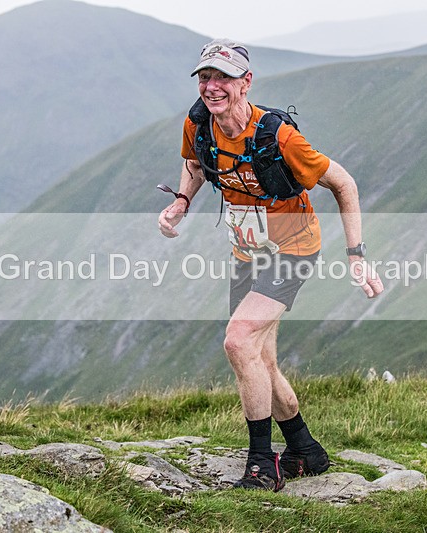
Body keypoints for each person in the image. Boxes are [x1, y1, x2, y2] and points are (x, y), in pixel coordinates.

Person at [157, 39, 384, 492]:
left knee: (238, 342)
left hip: (294, 249)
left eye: (223, 77)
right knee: (260, 357)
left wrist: (356, 256)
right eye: (205, 77)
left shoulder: (277, 136)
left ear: (246, 82)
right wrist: (182, 201)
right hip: (248, 250)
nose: (212, 86)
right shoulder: (198, 123)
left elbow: (344, 183)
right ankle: (306, 450)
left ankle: (262, 465)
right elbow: (195, 164)